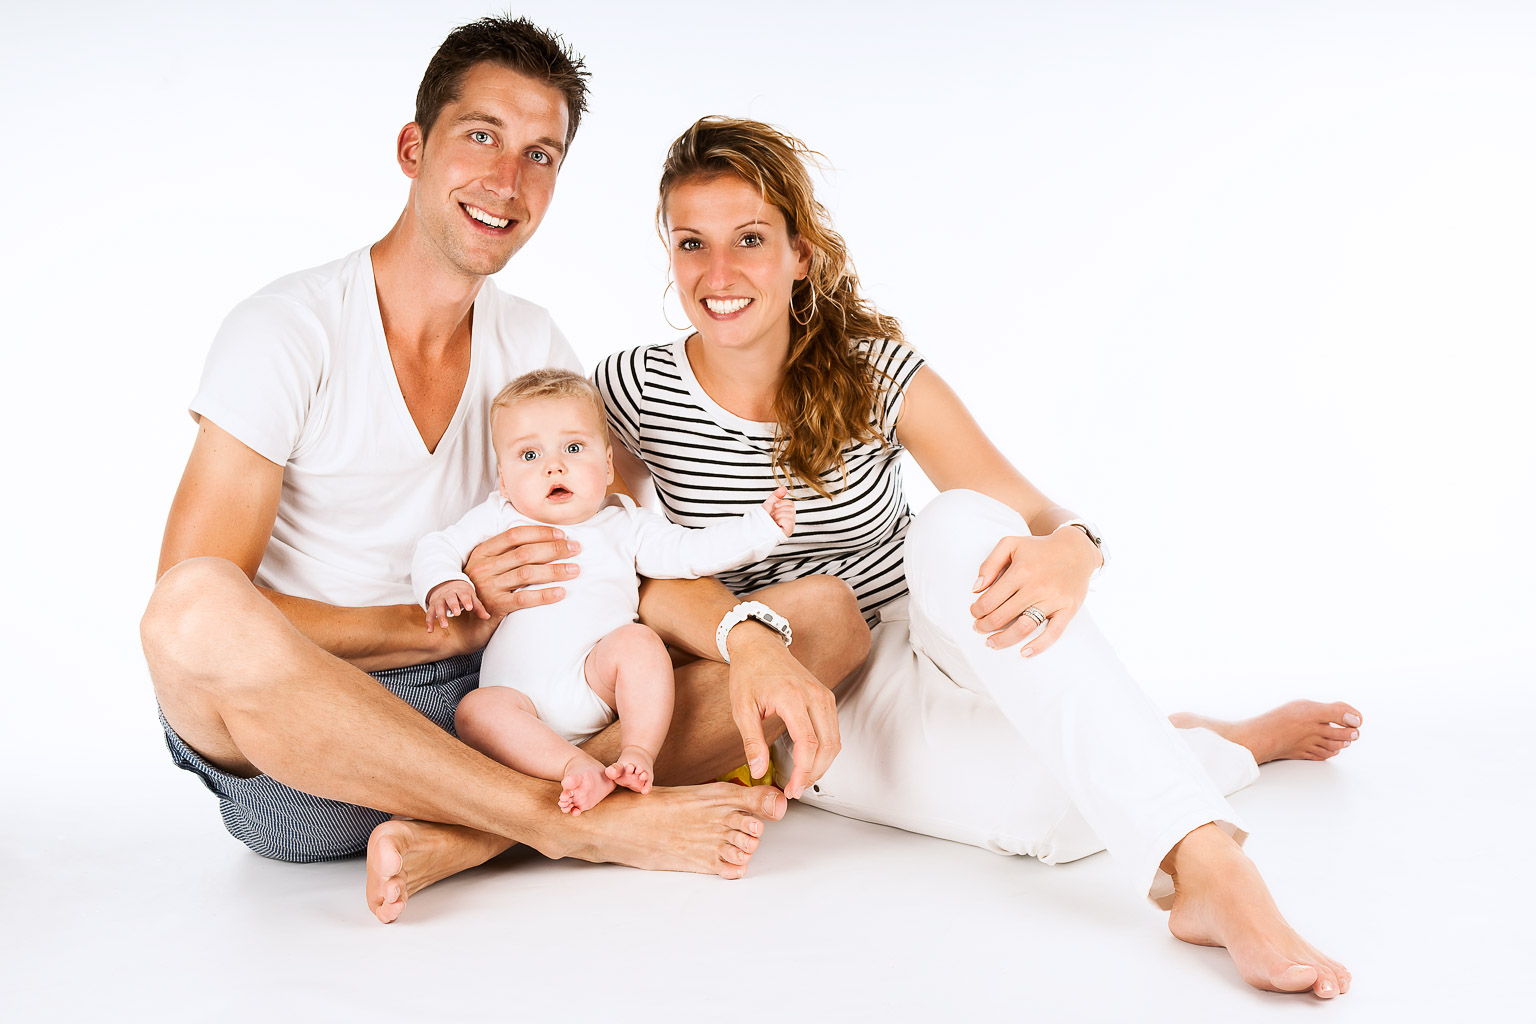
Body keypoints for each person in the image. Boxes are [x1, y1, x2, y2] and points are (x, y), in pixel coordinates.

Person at [581, 116, 1358, 998]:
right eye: (692, 243)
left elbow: (1029, 510)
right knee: (1054, 819)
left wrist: (1076, 549)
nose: (718, 273)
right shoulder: (630, 390)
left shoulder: (874, 370)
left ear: (800, 254)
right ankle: (1205, 742)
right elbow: (627, 568)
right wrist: (744, 641)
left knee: (956, 522)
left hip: (943, 621)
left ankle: (1216, 874)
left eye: (749, 239)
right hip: (823, 683)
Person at [139, 18, 873, 924]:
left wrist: (747, 639)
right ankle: (575, 827)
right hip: (322, 744)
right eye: (481, 135)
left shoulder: (532, 347)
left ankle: (470, 835)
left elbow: (627, 558)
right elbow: (200, 601)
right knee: (191, 606)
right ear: (413, 149)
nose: (506, 180)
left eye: (540, 155)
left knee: (825, 620)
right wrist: (429, 628)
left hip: (519, 707)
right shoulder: (288, 331)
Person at [412, 369, 795, 814]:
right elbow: (436, 546)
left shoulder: (626, 523)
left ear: (609, 465)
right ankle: (575, 766)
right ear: (503, 478)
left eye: (574, 448)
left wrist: (759, 527)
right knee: (475, 711)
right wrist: (446, 581)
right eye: (529, 455)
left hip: (596, 683)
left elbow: (691, 551)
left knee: (639, 643)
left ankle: (637, 752)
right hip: (517, 700)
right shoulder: (498, 515)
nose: (554, 466)